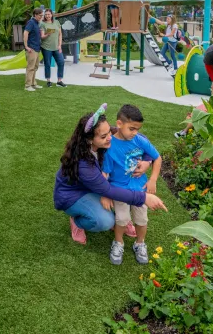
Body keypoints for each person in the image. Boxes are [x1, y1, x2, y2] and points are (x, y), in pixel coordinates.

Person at [53, 104, 167, 246]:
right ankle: (77, 221)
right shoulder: (84, 164)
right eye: (104, 136)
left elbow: (139, 139)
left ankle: (121, 218)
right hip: (74, 194)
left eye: (109, 132)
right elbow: (107, 190)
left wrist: (147, 161)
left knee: (116, 192)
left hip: (97, 185)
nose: (110, 137)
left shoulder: (108, 134)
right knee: (105, 221)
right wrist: (144, 197)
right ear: (89, 140)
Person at [101, 105, 162, 265]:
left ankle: (140, 243)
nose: (135, 132)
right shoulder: (110, 147)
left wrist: (153, 179)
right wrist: (105, 194)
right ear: (119, 124)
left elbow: (157, 158)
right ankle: (118, 242)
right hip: (119, 189)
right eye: (132, 129)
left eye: (137, 129)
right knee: (121, 219)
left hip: (140, 188)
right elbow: (105, 173)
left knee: (142, 219)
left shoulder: (140, 140)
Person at [39, 8, 67, 88]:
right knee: (47, 64)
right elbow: (42, 37)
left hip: (56, 47)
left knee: (61, 62)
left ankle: (59, 81)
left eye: (49, 14)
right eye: (46, 14)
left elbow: (60, 34)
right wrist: (47, 34)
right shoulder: (42, 24)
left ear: (52, 15)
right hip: (46, 47)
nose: (47, 16)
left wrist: (59, 45)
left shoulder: (57, 22)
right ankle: (48, 81)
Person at [23, 7, 44, 92]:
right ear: (35, 15)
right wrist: (26, 46)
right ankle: (27, 86)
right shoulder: (31, 22)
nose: (41, 17)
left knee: (35, 67)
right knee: (30, 67)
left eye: (42, 15)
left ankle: (33, 83)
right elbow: (25, 33)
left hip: (37, 48)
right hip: (31, 49)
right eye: (40, 15)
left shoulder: (37, 23)